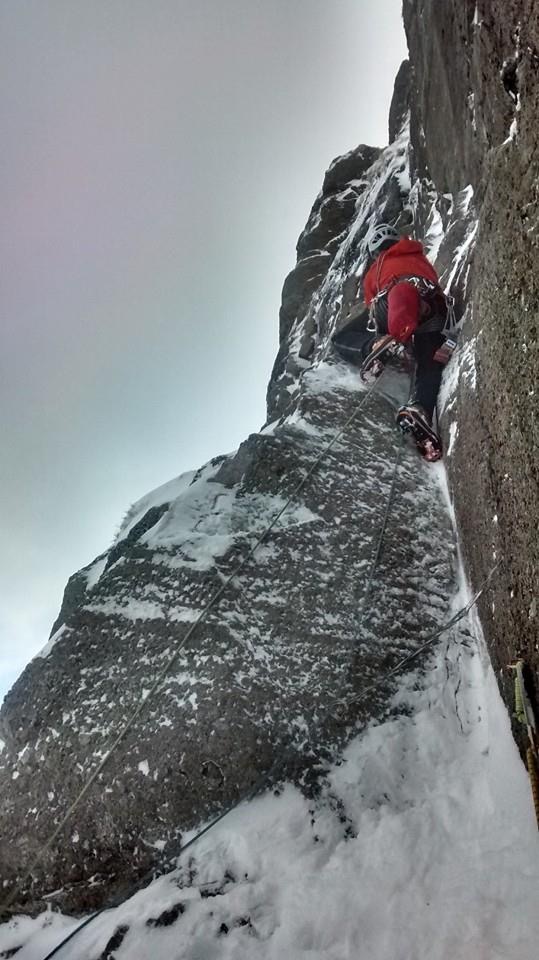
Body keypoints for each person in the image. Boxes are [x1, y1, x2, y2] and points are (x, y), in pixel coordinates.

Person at [362, 223, 449, 446]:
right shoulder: (419, 256)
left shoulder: (377, 268)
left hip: (395, 303)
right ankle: (420, 409)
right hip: (432, 310)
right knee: (429, 363)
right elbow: (433, 280)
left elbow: (370, 302)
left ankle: (379, 345)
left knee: (349, 334)